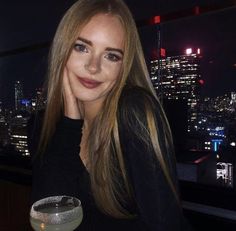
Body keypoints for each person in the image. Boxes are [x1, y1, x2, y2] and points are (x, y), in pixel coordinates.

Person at [28, 0, 193, 230]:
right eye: (81, 47)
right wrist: (70, 123)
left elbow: (163, 225)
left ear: (123, 66)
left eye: (111, 56)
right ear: (62, 50)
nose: (93, 66)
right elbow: (50, 219)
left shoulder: (134, 113)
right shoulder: (41, 125)